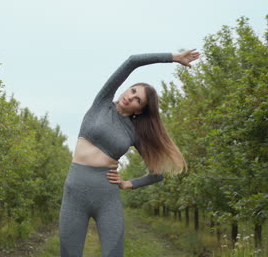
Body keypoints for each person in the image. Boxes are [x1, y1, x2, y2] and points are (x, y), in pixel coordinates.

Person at [59, 49, 200, 257]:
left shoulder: (133, 132)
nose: (131, 97)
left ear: (140, 110)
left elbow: (157, 174)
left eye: (138, 100)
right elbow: (132, 61)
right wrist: (173, 58)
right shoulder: (102, 103)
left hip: (107, 198)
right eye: (133, 91)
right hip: (74, 193)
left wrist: (128, 183)